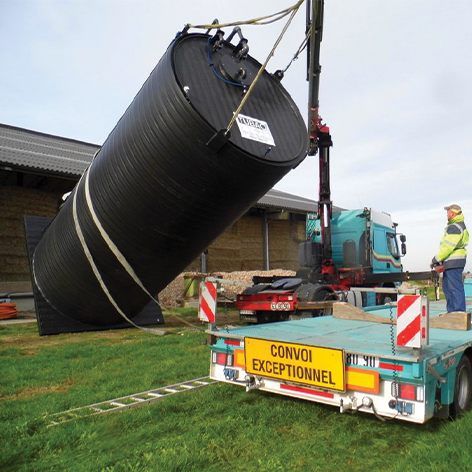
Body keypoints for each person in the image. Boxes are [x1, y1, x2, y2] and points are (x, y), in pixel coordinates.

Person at [431, 204, 469, 312]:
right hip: (452, 262)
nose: (447, 214)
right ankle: (452, 313)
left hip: (454, 262)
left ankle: (458, 314)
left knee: (454, 288)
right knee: (449, 289)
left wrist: (435, 260)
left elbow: (447, 247)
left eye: (447, 212)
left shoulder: (454, 227)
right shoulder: (458, 226)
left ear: (452, 213)